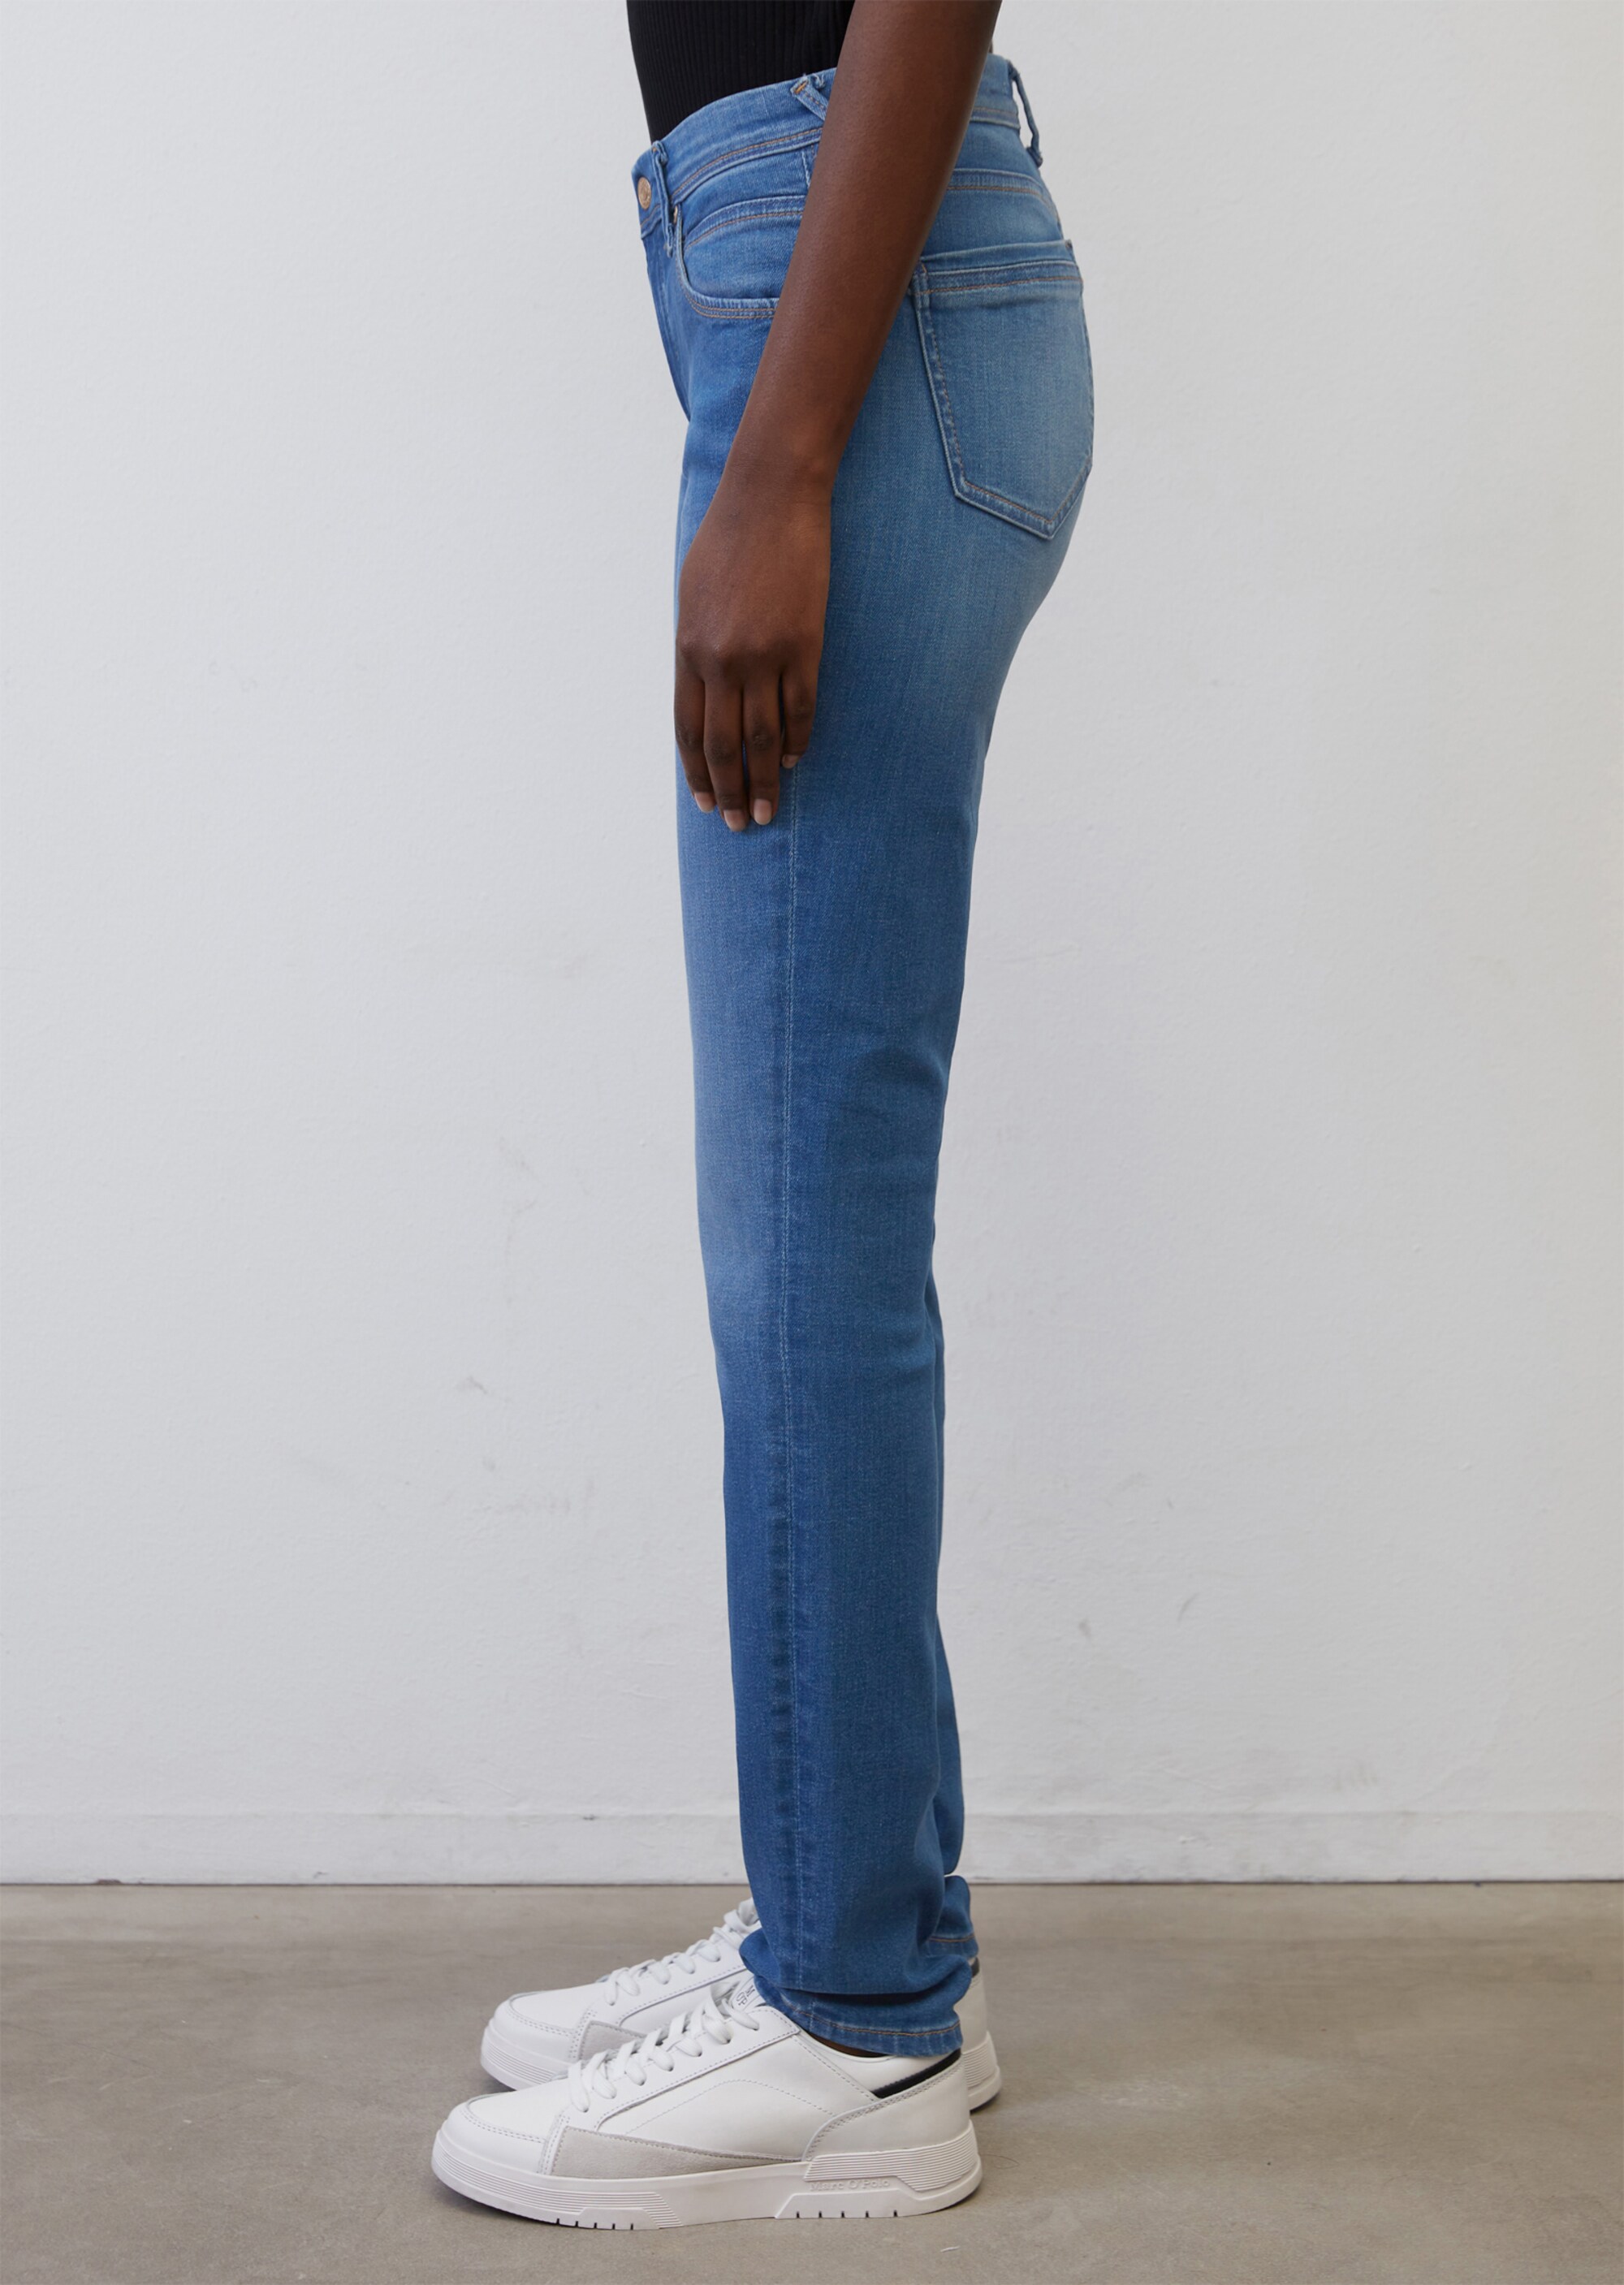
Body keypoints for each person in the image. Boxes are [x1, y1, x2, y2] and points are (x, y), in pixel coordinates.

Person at [431, 0, 1092, 2228]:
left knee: (805, 1233)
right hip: (839, 272)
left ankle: (854, 2017)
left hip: (845, 298)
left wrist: (785, 463)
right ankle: (867, 1920)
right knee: (811, 1217)